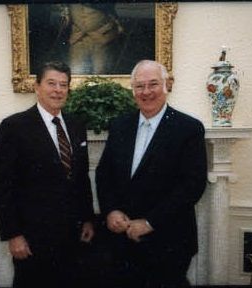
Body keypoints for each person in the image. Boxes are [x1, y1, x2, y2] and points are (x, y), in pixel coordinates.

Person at [96, 60, 207, 288]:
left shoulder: (189, 128)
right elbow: (104, 173)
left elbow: (192, 186)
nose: (146, 92)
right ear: (133, 90)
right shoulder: (119, 125)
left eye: (153, 84)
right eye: (139, 86)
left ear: (166, 85)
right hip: (122, 239)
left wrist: (149, 222)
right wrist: (111, 210)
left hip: (168, 240)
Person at [0, 61, 95, 288]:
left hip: (73, 235)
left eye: (63, 84)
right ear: (37, 87)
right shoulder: (14, 126)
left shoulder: (77, 125)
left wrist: (88, 219)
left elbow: (81, 177)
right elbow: (2, 186)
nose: (58, 90)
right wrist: (13, 235)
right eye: (51, 83)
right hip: (32, 238)